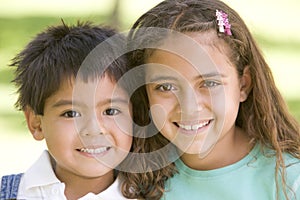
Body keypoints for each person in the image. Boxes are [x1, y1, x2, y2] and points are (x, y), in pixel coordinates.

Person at [121, 0, 300, 199]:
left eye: (209, 83)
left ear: (244, 85)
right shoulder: (134, 180)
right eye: (166, 87)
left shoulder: (289, 181)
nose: (189, 107)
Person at [0, 21, 135, 200]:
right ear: (36, 123)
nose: (94, 129)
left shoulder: (159, 195)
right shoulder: (12, 194)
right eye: (71, 113)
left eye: (110, 111)